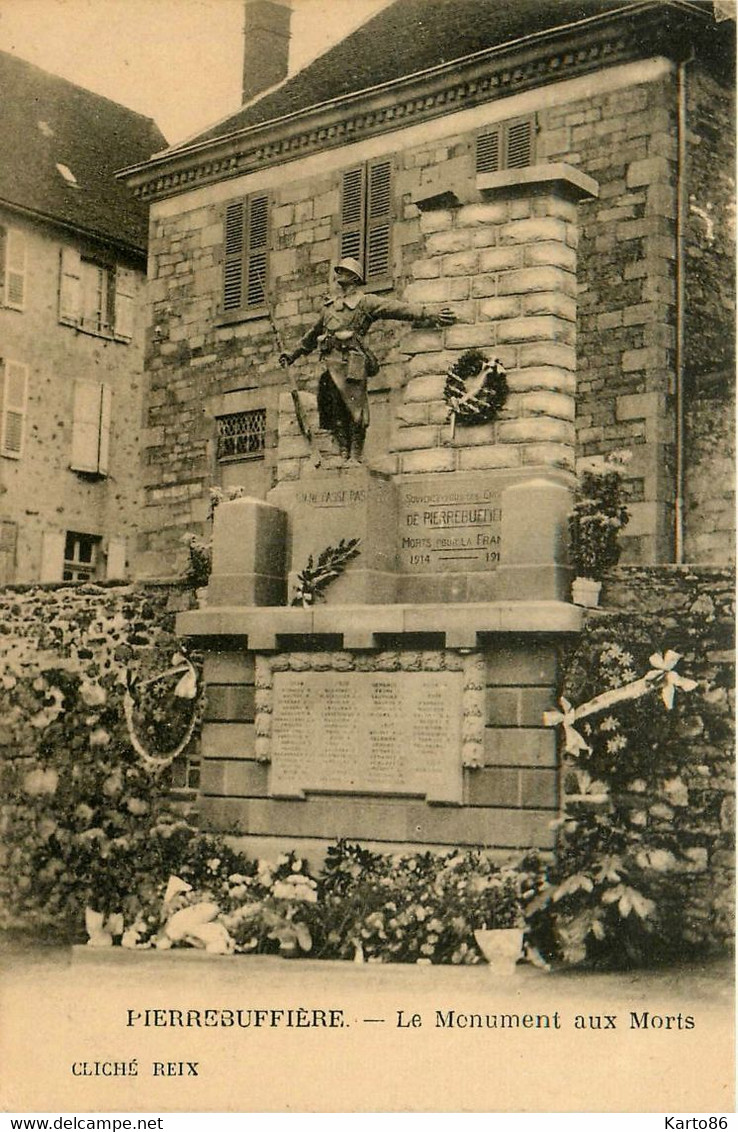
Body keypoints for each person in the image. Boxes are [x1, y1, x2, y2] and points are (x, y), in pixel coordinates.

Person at [279, 257, 456, 461]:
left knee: (356, 410)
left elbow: (396, 309)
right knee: (335, 410)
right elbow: (312, 335)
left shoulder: (365, 302)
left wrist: (428, 313)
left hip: (353, 362)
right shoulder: (329, 307)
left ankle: (355, 453)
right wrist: (293, 355)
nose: (338, 274)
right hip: (331, 363)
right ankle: (343, 450)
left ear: (354, 277)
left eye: (343, 271)